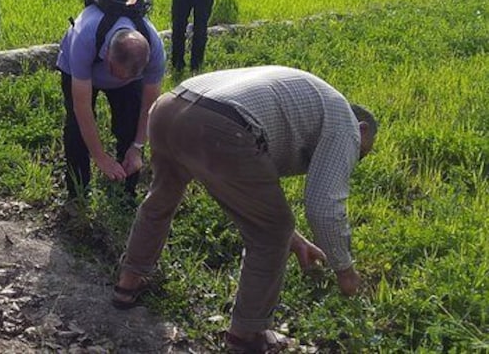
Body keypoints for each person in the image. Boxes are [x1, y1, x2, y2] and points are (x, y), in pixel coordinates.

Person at [112, 65, 377, 352]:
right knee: (271, 233)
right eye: (361, 152)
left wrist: (294, 239)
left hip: (171, 107)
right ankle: (246, 335)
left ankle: (128, 283)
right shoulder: (346, 125)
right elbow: (324, 207)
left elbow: (244, 192)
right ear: (361, 129)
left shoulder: (309, 108)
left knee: (161, 198)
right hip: (219, 124)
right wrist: (345, 272)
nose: (356, 158)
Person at [56, 5, 166, 204]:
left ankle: (127, 191)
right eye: (115, 73)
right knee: (76, 130)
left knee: (130, 124)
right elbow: (82, 108)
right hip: (78, 70)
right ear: (107, 55)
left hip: (124, 72)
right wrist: (100, 157)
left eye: (127, 77)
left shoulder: (155, 49)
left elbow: (149, 106)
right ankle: (78, 193)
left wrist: (138, 146)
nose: (118, 79)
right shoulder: (84, 39)